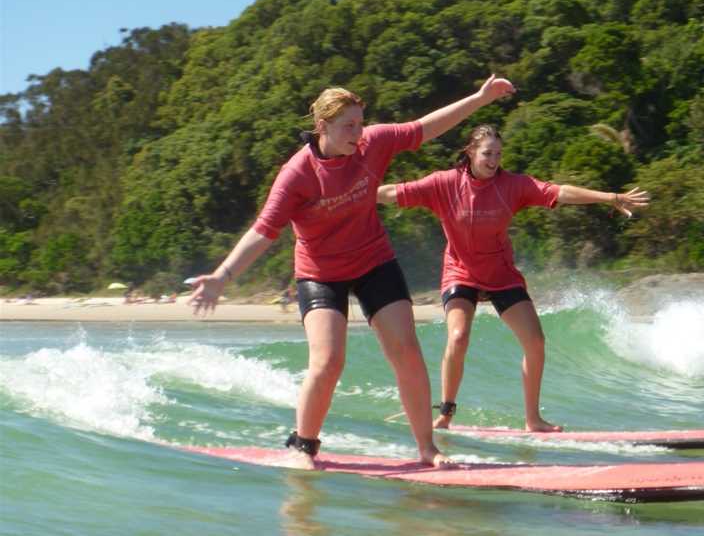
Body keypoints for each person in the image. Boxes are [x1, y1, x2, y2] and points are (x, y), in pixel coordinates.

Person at [188, 77, 516, 469]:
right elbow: (263, 230)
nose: (358, 134)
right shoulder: (298, 174)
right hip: (320, 273)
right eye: (348, 126)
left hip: (374, 260)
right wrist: (222, 277)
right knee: (328, 361)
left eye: (360, 124)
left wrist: (479, 99)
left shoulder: (372, 143)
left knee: (407, 352)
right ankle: (303, 446)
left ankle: (427, 448)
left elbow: (426, 128)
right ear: (322, 127)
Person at [377, 125, 649, 432]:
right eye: (486, 153)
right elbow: (393, 192)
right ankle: (446, 413)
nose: (493, 160)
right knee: (458, 337)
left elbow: (558, 192)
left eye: (498, 154)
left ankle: (533, 418)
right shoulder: (444, 184)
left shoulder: (513, 186)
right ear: (470, 153)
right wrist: (353, 195)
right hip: (460, 271)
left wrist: (610, 197)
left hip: (501, 274)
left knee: (535, 341)